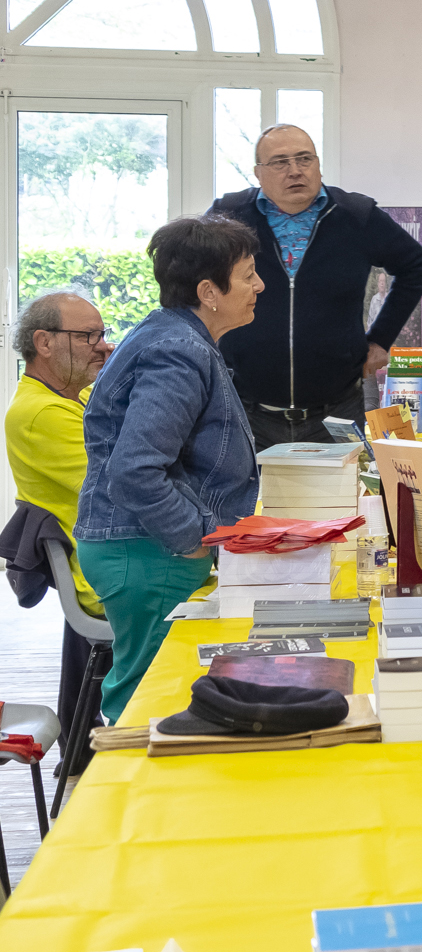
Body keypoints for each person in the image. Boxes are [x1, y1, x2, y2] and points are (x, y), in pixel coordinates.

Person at [74, 215, 263, 723]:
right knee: (147, 697)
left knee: (150, 684)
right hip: (146, 546)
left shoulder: (179, 338)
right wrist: (191, 537)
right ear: (209, 291)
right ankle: (118, 799)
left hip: (144, 544)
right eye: (248, 275)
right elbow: (135, 469)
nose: (259, 286)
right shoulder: (178, 350)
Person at [208, 125, 422, 447]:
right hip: (245, 411)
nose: (295, 171)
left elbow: (416, 265)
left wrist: (381, 338)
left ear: (318, 164)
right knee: (249, 499)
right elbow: (191, 277)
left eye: (304, 159)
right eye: (280, 162)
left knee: (339, 499)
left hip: (336, 412)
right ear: (258, 173)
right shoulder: (228, 215)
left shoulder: (356, 216)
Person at [7, 292, 113, 618]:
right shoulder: (39, 413)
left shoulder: (76, 395)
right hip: (109, 576)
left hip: (122, 557)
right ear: (44, 342)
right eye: (87, 336)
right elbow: (122, 488)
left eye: (103, 334)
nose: (103, 345)